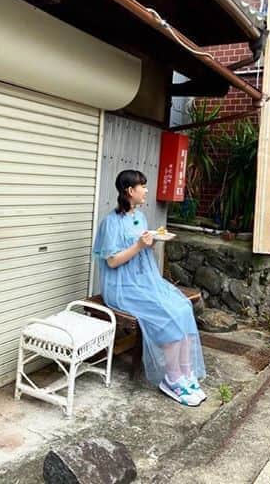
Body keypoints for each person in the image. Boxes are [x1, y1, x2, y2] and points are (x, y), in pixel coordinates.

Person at [93, 170, 207, 407]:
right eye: (141, 186)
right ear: (129, 191)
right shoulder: (110, 223)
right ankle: (172, 379)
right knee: (169, 316)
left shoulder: (141, 217)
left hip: (144, 280)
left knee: (183, 307)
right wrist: (138, 245)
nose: (146, 190)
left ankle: (186, 374)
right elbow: (112, 261)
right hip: (122, 286)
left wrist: (151, 242)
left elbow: (142, 249)